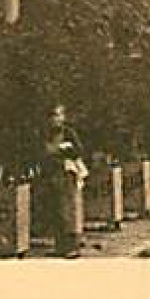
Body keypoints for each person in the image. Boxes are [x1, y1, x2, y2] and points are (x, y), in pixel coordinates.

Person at [43, 105, 87, 258]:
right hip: (51, 173)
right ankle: (59, 246)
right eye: (52, 116)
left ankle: (71, 247)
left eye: (57, 115)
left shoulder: (68, 132)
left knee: (66, 209)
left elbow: (79, 151)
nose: (55, 119)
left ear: (63, 117)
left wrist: (63, 149)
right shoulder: (47, 134)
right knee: (55, 210)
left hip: (66, 172)